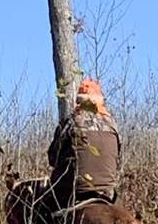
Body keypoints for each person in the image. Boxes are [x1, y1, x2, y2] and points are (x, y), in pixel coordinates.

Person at [47, 78, 121, 209]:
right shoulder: (112, 124)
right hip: (107, 193)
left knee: (42, 208)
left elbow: (53, 158)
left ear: (79, 101)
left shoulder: (71, 122)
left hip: (74, 192)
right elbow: (118, 162)